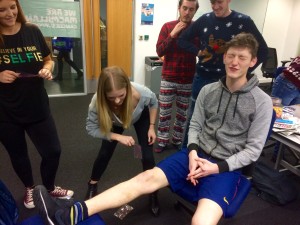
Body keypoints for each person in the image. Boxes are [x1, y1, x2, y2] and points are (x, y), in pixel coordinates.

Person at [34, 33, 273, 225]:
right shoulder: (208, 91)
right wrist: (191, 152)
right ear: (223, 57)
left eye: (242, 58)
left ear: (253, 62)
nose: (234, 62)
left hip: (225, 166)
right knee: (143, 178)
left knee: (201, 220)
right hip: (193, 156)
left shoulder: (261, 101)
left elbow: (253, 150)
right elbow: (196, 126)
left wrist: (217, 166)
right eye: (231, 56)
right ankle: (71, 214)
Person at [0, 0, 73, 209]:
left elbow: (48, 59)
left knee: (53, 151)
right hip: (5, 111)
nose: (9, 13)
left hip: (36, 105)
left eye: (12, 7)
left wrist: (47, 68)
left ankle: (49, 187)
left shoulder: (32, 30)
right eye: (2, 9)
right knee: (18, 154)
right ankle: (30, 188)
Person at [178, 0, 268, 148]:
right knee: (194, 118)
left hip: (227, 83)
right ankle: (186, 152)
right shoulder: (205, 19)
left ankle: (213, 155)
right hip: (202, 78)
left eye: (219, 2)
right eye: (212, 2)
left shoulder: (243, 21)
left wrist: (243, 73)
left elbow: (263, 51)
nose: (215, 6)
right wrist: (198, 52)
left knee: (223, 121)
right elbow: (182, 39)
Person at [84, 66, 160, 216]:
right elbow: (91, 128)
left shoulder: (141, 92)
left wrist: (151, 126)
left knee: (147, 156)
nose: (117, 101)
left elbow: (154, 103)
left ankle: (153, 191)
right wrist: (118, 137)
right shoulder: (96, 102)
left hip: (140, 117)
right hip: (115, 122)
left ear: (127, 86)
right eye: (111, 98)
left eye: (121, 95)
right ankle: (92, 184)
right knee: (105, 153)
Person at [154, 0, 199, 153]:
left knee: (182, 114)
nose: (187, 12)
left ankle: (177, 140)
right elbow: (160, 51)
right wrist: (172, 34)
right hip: (168, 77)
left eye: (191, 9)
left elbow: (202, 51)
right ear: (179, 8)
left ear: (195, 11)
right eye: (184, 8)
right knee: (164, 112)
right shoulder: (167, 26)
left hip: (187, 79)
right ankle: (162, 140)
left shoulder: (197, 29)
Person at [270, 56, 300, 161]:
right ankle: (254, 150)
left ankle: (277, 155)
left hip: (297, 86)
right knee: (272, 117)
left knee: (289, 121)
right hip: (288, 83)